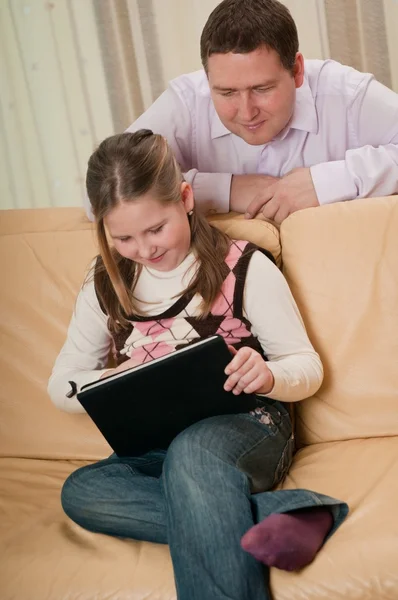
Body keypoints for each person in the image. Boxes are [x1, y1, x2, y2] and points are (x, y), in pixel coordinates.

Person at [51, 129, 348, 600]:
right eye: (122, 236)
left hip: (247, 427)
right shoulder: (104, 283)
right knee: (85, 489)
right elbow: (60, 386)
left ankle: (245, 514)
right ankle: (288, 512)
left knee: (194, 452)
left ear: (185, 198)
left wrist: (269, 374)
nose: (144, 250)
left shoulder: (244, 265)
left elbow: (306, 367)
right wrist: (112, 378)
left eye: (156, 229)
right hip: (155, 443)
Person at [85, 0, 398, 224]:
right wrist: (226, 189)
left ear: (297, 70)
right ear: (207, 81)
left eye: (262, 89)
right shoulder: (187, 103)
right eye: (226, 93)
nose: (246, 112)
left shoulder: (345, 94)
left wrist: (325, 182)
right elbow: (98, 196)